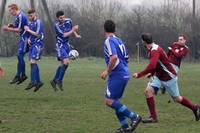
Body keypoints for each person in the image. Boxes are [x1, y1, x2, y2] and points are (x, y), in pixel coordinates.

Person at [133, 33, 200, 123]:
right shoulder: (153, 48)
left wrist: (139, 74)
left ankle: (195, 108)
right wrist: (152, 73)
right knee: (148, 92)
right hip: (159, 76)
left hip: (169, 77)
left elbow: (152, 65)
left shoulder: (155, 50)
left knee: (177, 99)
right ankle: (153, 117)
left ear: (143, 41)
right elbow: (157, 64)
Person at [101, 20, 141, 133]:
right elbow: (127, 58)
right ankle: (125, 127)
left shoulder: (109, 41)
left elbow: (113, 57)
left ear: (104, 29)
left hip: (117, 74)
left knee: (109, 101)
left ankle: (134, 117)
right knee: (115, 101)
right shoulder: (119, 40)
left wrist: (107, 72)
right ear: (115, 29)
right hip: (124, 72)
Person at [50, 11, 80, 91]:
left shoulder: (69, 21)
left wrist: (76, 34)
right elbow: (64, 35)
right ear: (57, 18)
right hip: (60, 45)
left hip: (66, 44)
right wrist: (73, 29)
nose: (62, 19)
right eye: (60, 18)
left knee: (63, 64)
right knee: (66, 62)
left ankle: (54, 81)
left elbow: (71, 29)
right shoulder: (56, 26)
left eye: (63, 17)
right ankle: (59, 80)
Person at [2, 4, 28, 84]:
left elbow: (19, 29)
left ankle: (19, 76)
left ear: (14, 9)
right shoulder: (17, 17)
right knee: (19, 56)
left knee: (19, 56)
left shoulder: (21, 16)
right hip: (23, 38)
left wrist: (8, 28)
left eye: (10, 10)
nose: (10, 12)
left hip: (26, 39)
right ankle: (22, 75)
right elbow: (18, 26)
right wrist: (12, 25)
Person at [24, 9, 44, 92]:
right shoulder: (29, 23)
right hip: (32, 45)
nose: (29, 17)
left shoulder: (39, 22)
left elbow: (38, 34)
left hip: (38, 44)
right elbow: (28, 35)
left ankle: (33, 81)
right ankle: (38, 82)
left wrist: (28, 30)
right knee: (33, 63)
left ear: (35, 14)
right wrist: (28, 39)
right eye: (28, 16)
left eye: (31, 15)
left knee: (32, 62)